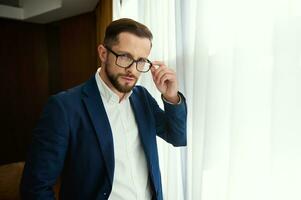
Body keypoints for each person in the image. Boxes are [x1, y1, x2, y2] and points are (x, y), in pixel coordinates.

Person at [20, 18, 187, 200]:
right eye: (125, 57)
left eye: (140, 61)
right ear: (103, 53)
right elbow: (35, 188)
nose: (132, 69)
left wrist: (171, 97)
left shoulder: (142, 98)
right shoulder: (64, 107)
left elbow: (177, 136)